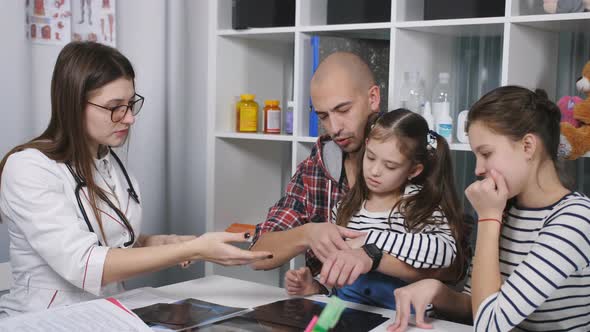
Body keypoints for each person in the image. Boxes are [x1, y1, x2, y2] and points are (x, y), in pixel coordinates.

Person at [0, 41, 272, 316]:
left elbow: (110, 238)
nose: (129, 118)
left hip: (107, 311)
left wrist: (158, 242)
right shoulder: (28, 167)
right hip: (44, 318)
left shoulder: (108, 162)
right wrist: (194, 249)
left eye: (131, 104)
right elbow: (84, 264)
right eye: (115, 106)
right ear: (73, 104)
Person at [387, 86, 590, 332]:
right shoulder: (506, 209)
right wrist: (438, 292)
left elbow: (489, 325)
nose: (478, 169)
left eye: (486, 153)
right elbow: (482, 304)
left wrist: (488, 218)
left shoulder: (575, 219)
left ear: (528, 146)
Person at [284, 109, 468, 309]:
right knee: (315, 330)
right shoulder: (346, 207)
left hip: (401, 312)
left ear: (413, 170)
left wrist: (371, 241)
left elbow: (445, 252)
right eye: (370, 157)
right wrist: (316, 286)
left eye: (390, 166)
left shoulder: (420, 206)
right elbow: (341, 269)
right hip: (342, 307)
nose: (374, 171)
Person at [249, 52, 381, 274]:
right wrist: (308, 234)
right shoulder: (315, 168)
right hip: (329, 304)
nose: (334, 127)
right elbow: (257, 255)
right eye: (323, 117)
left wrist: (371, 258)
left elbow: (449, 264)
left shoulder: (414, 157)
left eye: (343, 110)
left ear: (373, 98)